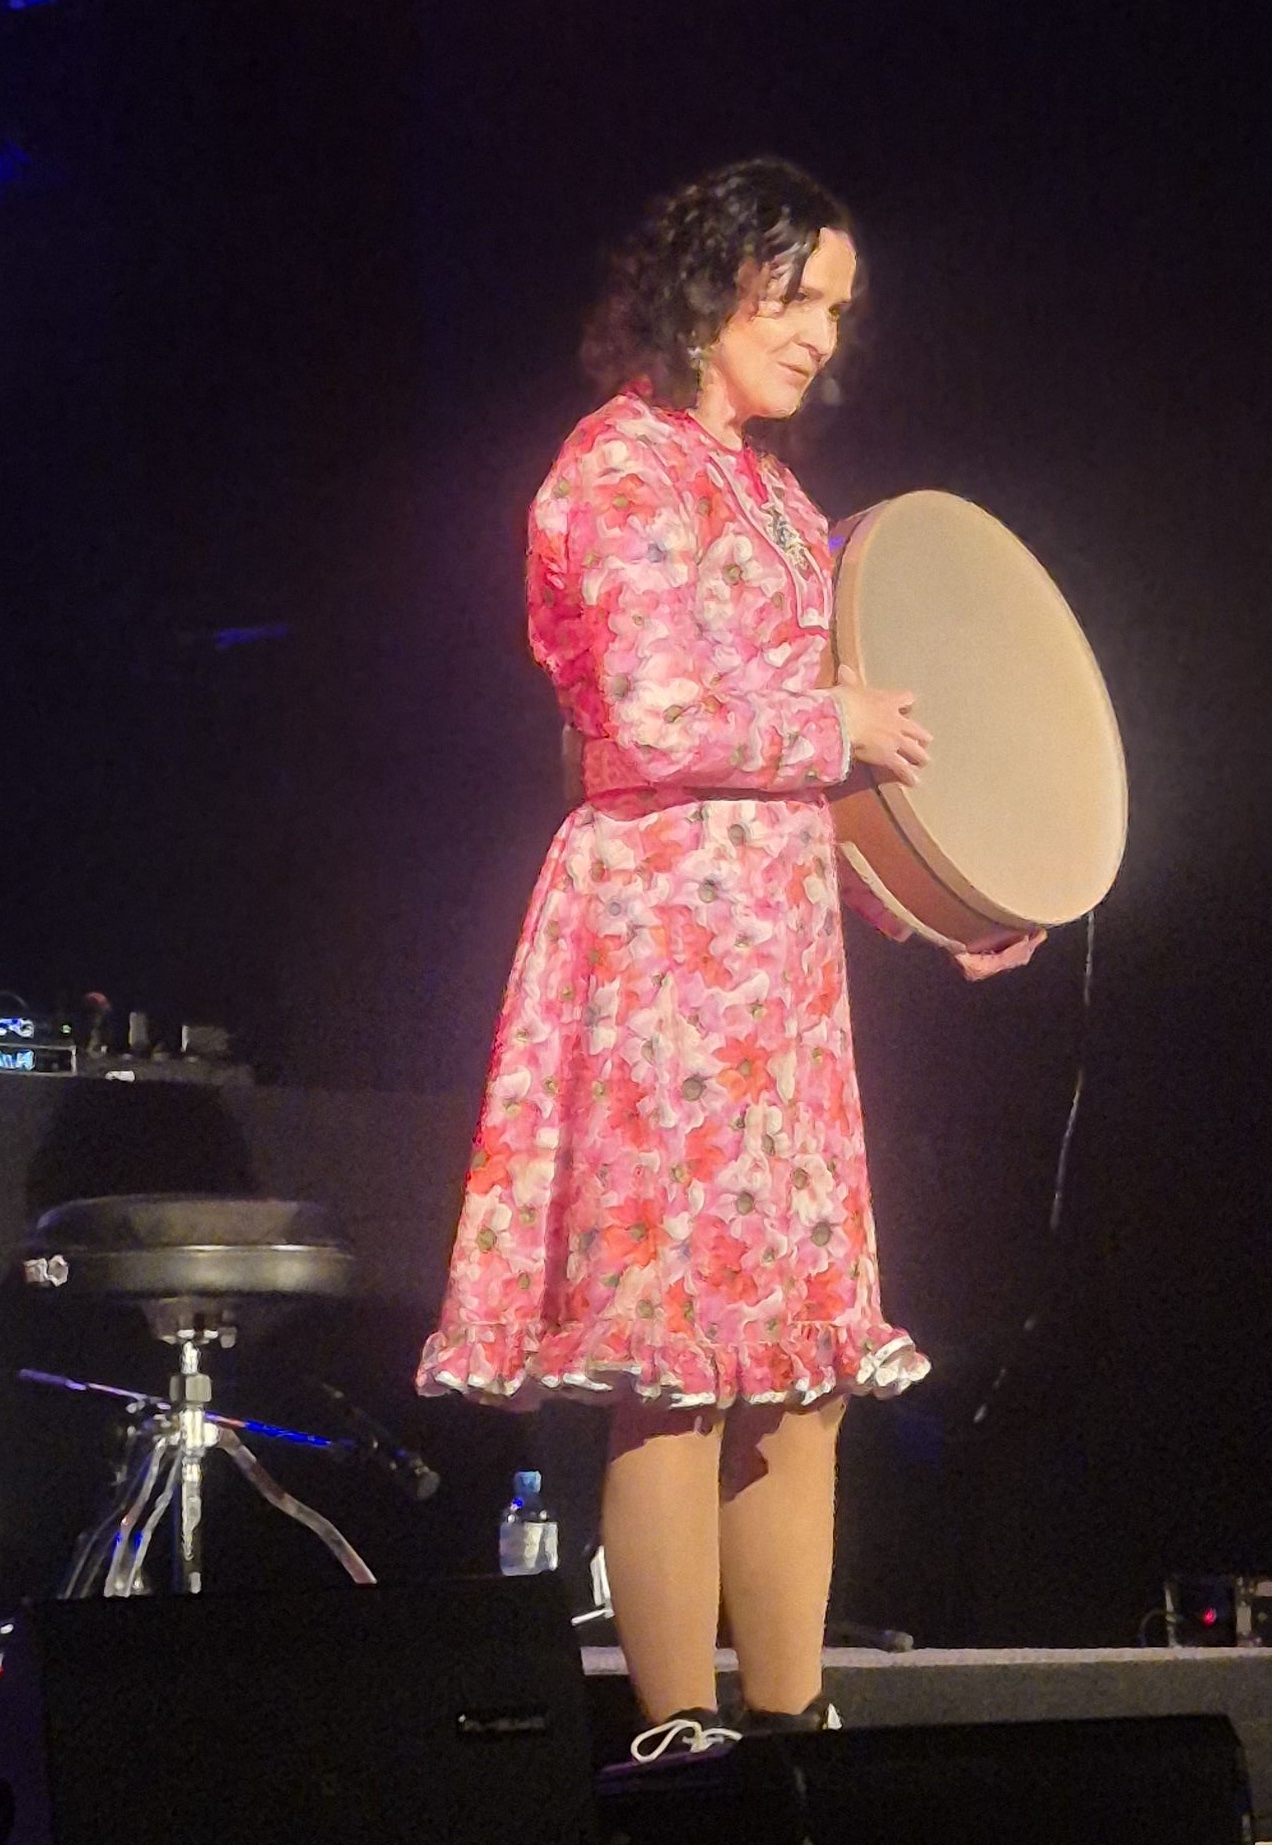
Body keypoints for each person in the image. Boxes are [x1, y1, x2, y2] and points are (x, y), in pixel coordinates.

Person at [414, 158, 1040, 1761]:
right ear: (715, 288)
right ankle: (678, 1732)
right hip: (663, 953)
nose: (825, 334)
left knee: (801, 1367)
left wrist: (940, 907)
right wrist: (836, 721)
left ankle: (790, 1725)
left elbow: (822, 785)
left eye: (840, 308)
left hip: (776, 964)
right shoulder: (618, 468)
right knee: (677, 1363)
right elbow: (650, 716)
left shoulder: (771, 496)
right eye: (801, 297)